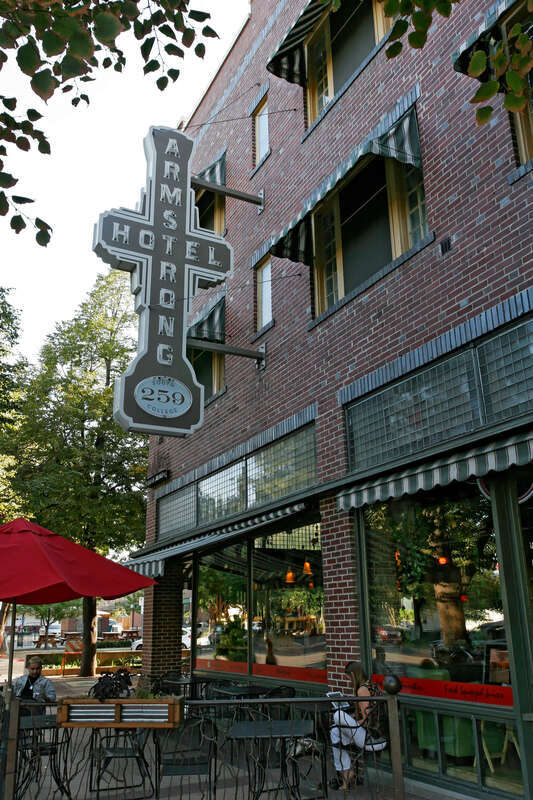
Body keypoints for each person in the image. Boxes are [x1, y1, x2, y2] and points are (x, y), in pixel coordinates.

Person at [330, 661, 387, 790]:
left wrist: (350, 721)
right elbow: (367, 713)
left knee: (338, 715)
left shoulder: (362, 690)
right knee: (334, 731)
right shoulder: (371, 685)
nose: (349, 681)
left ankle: (346, 772)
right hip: (373, 733)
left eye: (349, 678)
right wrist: (351, 719)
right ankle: (346, 775)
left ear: (353, 675)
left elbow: (367, 721)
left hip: (370, 737)